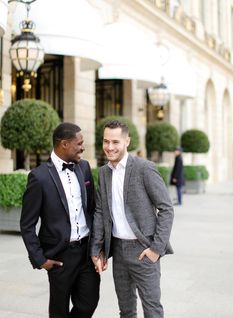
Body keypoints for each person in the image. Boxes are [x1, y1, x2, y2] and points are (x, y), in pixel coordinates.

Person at [91, 119, 174, 318]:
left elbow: (166, 208)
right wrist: (97, 248)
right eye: (106, 141)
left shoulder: (144, 168)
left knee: (152, 309)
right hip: (118, 250)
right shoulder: (103, 173)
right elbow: (101, 212)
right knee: (126, 310)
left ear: (127, 141)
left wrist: (156, 249)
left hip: (143, 250)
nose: (109, 147)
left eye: (115, 142)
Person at [20, 122, 100, 318]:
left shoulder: (84, 167)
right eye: (79, 143)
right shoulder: (39, 178)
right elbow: (27, 224)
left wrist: (99, 246)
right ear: (64, 144)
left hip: (86, 251)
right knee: (59, 310)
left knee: (88, 304)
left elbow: (93, 208)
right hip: (60, 256)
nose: (83, 147)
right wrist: (39, 259)